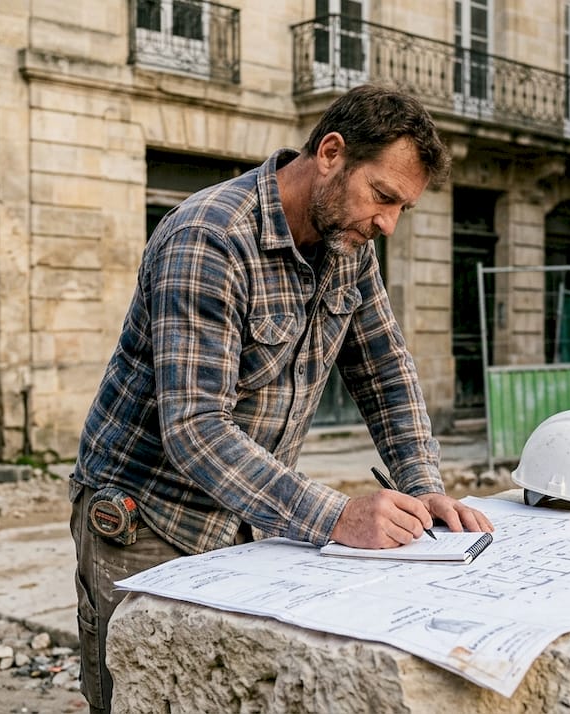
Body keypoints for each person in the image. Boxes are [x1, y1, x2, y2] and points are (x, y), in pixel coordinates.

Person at [69, 84, 495, 714]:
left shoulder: (350, 246)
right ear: (330, 153)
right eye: (382, 197)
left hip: (249, 516)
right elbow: (194, 427)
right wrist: (338, 517)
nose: (387, 224)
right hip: (148, 520)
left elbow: (386, 374)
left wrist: (422, 481)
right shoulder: (210, 238)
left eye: (402, 208)